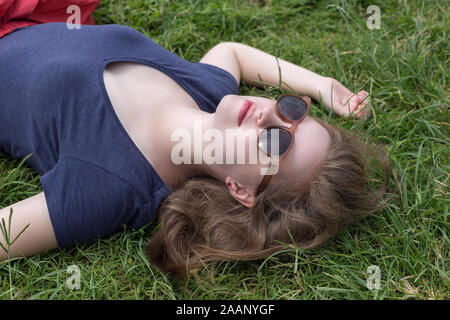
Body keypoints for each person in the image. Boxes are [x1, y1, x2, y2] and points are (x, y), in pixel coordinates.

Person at [0, 22, 390, 279]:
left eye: (276, 141)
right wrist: (321, 85)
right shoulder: (207, 89)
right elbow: (233, 51)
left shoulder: (111, 185)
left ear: (241, 188)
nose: (268, 111)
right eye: (292, 111)